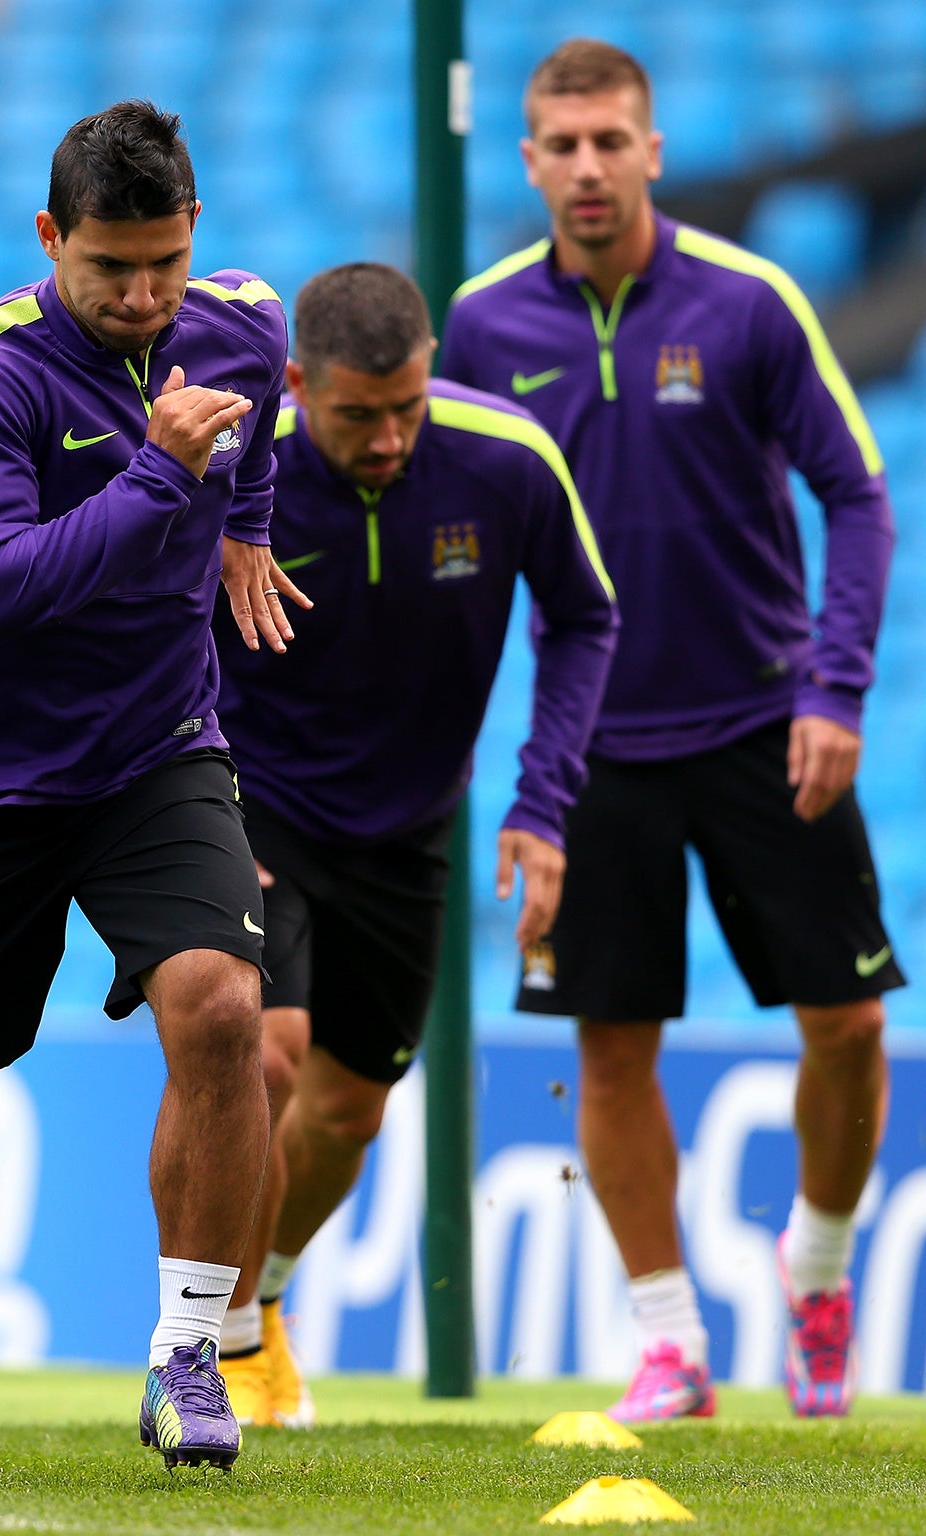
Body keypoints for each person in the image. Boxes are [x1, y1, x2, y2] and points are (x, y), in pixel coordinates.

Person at [0, 100, 303, 1467]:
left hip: (159, 751)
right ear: (51, 240)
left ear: (194, 233)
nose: (144, 296)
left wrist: (248, 526)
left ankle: (189, 1357)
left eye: (164, 262)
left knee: (221, 1010)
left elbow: (255, 419)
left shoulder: (243, 321)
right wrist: (165, 478)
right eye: (111, 270)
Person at [440, 40, 898, 1421]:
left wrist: (836, 688)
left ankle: (815, 1270)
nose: (586, 166)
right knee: (611, 1049)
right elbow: (455, 533)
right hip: (594, 750)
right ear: (527, 162)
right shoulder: (479, 329)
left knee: (850, 1025)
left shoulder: (750, 304)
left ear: (651, 150)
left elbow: (860, 496)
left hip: (767, 723)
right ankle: (670, 1341)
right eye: (560, 145)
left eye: (609, 141)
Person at [209, 263, 617, 1428]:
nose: (388, 437)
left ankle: (265, 1301)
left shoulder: (504, 457)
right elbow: (152, 631)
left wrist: (542, 801)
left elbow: (584, 616)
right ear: (297, 384)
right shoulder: (241, 471)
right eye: (356, 415)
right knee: (262, 1052)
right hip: (255, 803)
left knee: (344, 1114)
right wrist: (196, 807)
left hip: (407, 823)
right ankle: (216, 1347)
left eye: (407, 406)